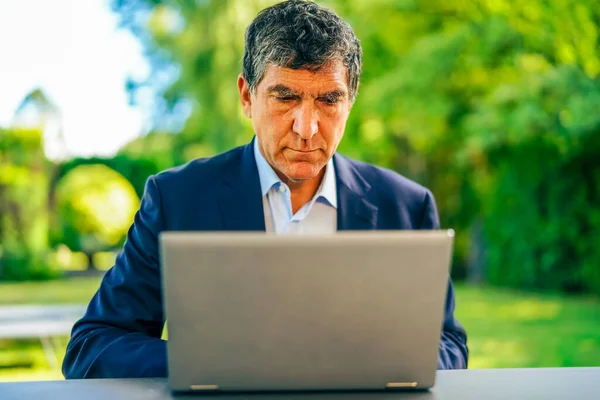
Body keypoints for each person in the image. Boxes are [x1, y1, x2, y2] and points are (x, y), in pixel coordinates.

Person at [62, 0, 468, 379]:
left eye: (329, 100)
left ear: (350, 101)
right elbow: (92, 347)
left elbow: (448, 345)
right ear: (246, 95)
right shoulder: (176, 199)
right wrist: (221, 363)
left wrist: (369, 367)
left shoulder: (407, 206)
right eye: (285, 97)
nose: (307, 128)